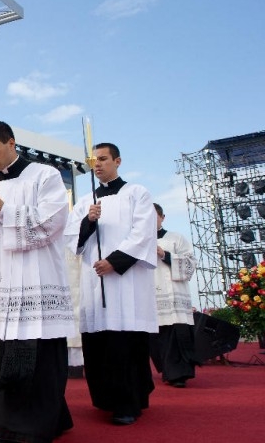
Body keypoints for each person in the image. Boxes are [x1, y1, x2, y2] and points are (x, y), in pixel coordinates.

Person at [0, 121, 76, 443]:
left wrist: (5, 211)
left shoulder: (45, 175)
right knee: (12, 355)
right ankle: (48, 419)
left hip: (37, 279)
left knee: (39, 355)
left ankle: (19, 433)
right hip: (3, 280)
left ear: (11, 143)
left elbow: (53, 221)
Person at [64, 142, 158, 426]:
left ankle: (129, 403)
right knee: (99, 343)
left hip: (126, 282)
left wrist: (115, 261)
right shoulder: (86, 201)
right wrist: (88, 222)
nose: (98, 164)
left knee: (124, 343)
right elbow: (72, 239)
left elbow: (143, 233)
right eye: (94, 160)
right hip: (94, 281)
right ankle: (105, 399)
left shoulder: (136, 193)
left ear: (118, 161)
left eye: (103, 159)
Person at [151, 202, 198, 388]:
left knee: (177, 335)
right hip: (151, 294)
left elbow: (190, 265)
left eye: (154, 216)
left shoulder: (176, 238)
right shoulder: (138, 241)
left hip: (174, 294)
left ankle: (179, 374)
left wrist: (165, 255)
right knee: (157, 337)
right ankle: (167, 370)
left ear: (162, 218)